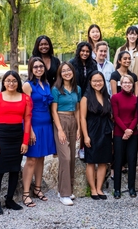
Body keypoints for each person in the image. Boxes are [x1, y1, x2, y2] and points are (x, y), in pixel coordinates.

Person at [0, 71, 32, 214]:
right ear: (4, 82)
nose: (11, 83)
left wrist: (25, 142)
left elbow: (27, 120)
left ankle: (9, 200)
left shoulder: (25, 99)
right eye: (8, 80)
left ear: (18, 82)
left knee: (14, 169)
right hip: (1, 136)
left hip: (17, 136)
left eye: (14, 80)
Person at [22, 58, 56, 208]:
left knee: (41, 158)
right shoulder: (27, 85)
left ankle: (37, 188)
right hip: (34, 125)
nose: (38, 69)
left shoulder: (47, 84)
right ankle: (25, 193)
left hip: (46, 124)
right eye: (35, 67)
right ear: (31, 69)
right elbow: (25, 110)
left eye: (41, 66)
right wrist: (29, 131)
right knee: (31, 160)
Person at [51, 62, 81, 206]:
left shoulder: (77, 89)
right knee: (65, 157)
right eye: (63, 71)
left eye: (69, 70)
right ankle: (64, 194)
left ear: (73, 72)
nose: (67, 72)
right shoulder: (56, 89)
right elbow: (53, 111)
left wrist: (79, 128)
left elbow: (78, 110)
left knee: (72, 158)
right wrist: (60, 130)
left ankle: (63, 189)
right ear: (60, 74)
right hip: (60, 121)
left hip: (73, 121)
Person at [80, 71, 113, 200]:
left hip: (105, 132)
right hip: (92, 131)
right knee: (91, 162)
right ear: (90, 82)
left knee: (103, 162)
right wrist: (86, 136)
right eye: (94, 81)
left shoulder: (107, 96)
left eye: (100, 81)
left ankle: (99, 188)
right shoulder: (86, 98)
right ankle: (93, 189)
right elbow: (82, 118)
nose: (97, 83)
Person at [111, 75, 138, 199]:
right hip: (119, 133)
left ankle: (131, 187)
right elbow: (116, 116)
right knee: (118, 160)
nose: (127, 85)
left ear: (133, 85)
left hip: (133, 133)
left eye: (129, 83)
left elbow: (137, 116)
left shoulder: (136, 99)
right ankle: (117, 188)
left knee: (132, 160)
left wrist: (130, 130)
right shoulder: (115, 97)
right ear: (120, 84)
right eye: (125, 83)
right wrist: (125, 130)